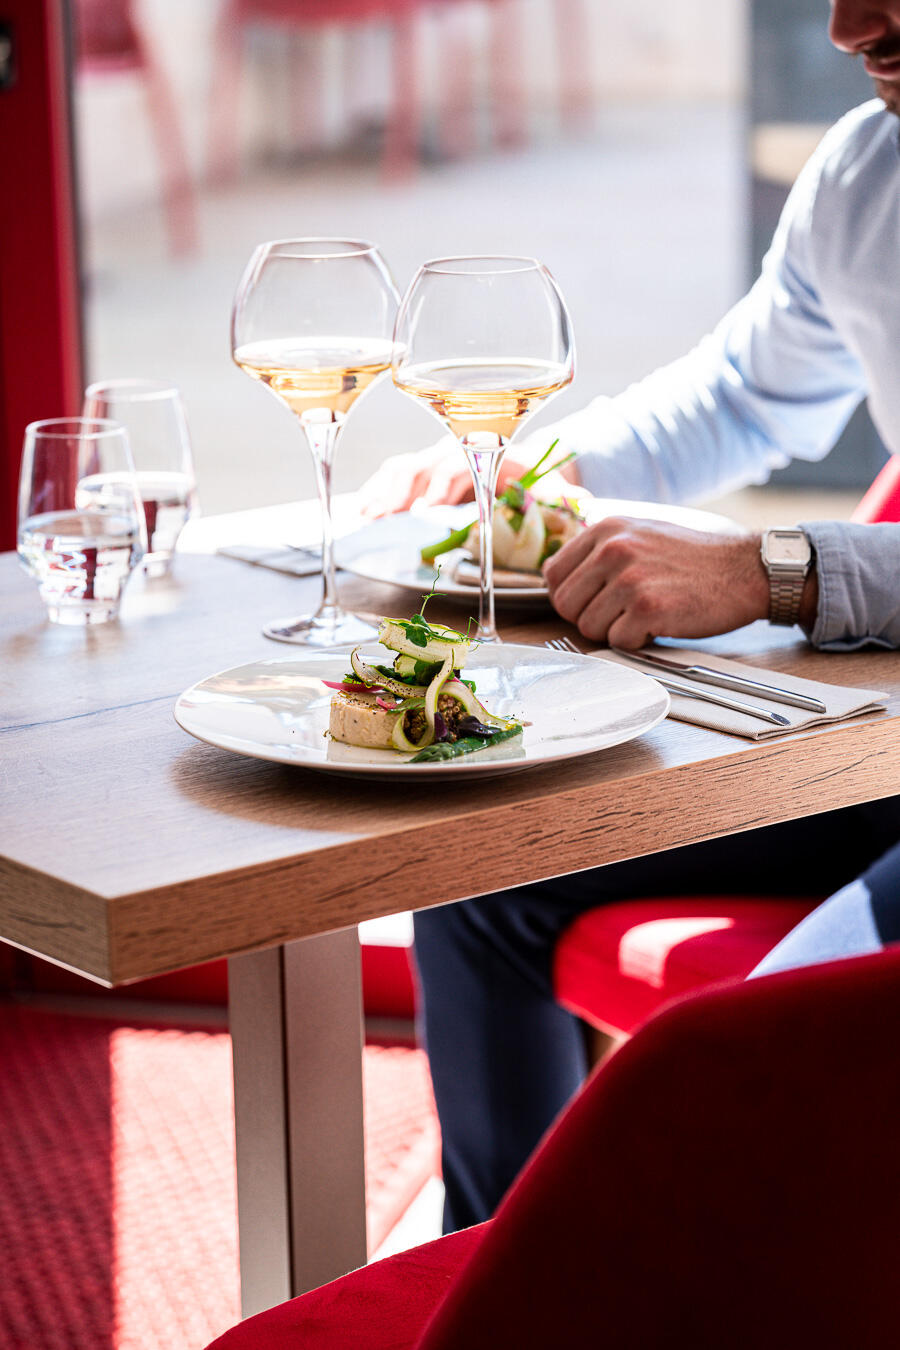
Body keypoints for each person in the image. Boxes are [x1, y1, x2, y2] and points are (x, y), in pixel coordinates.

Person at [363, 0, 900, 1234]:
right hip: (884, 740)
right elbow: (748, 391)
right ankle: (506, 1283)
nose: (842, 27)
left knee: (758, 1056)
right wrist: (552, 472)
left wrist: (774, 572)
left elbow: (779, 561)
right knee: (482, 858)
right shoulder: (866, 168)